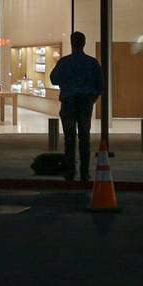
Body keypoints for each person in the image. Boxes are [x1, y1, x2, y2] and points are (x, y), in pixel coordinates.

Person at [49, 31, 102, 182]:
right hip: (85, 102)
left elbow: (53, 79)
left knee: (69, 137)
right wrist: (92, 99)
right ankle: (84, 172)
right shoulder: (92, 63)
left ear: (72, 43)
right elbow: (100, 85)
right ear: (84, 43)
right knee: (85, 137)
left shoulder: (64, 62)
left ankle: (70, 171)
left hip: (69, 102)